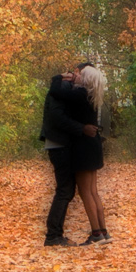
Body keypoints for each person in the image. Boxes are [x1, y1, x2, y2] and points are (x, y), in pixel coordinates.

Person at [40, 68, 99, 247]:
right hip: (59, 145)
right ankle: (53, 236)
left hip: (62, 144)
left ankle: (55, 234)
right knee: (65, 190)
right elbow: (57, 117)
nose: (78, 76)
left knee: (66, 190)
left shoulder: (67, 89)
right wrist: (82, 129)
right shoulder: (61, 89)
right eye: (78, 73)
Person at [66, 64, 109, 245]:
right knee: (93, 192)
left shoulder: (79, 96)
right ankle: (103, 231)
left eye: (81, 75)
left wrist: (65, 80)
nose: (77, 76)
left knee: (85, 192)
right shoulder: (93, 98)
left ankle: (96, 233)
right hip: (93, 146)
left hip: (82, 147)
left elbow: (61, 96)